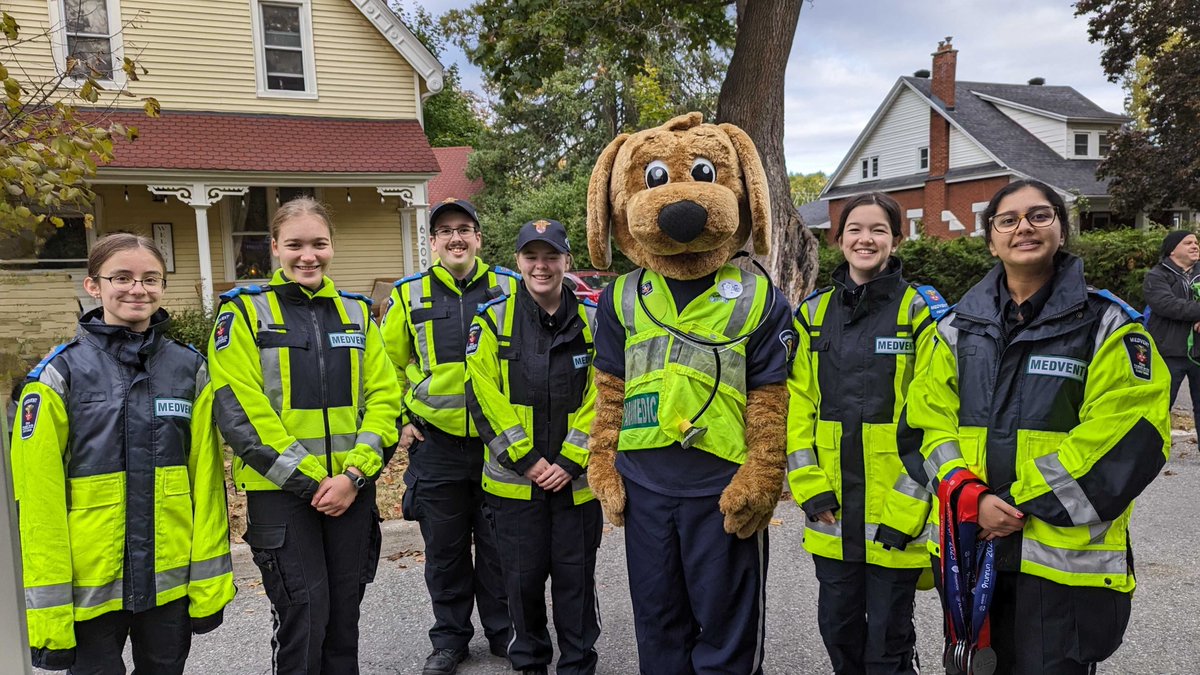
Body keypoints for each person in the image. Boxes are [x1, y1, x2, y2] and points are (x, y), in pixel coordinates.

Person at [897, 179, 1170, 673]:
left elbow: (1131, 434)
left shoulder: (1109, 326)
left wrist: (1017, 505)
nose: (1024, 226)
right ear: (991, 239)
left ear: (1062, 230)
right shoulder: (955, 329)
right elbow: (923, 423)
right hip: (970, 554)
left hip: (1059, 571)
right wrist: (973, 500)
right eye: (1008, 219)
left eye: (1040, 215)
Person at [13, 233, 235, 673]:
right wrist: (50, 619)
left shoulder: (190, 369)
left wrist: (208, 587)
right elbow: (38, 507)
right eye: (122, 277)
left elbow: (207, 485)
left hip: (167, 586)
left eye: (151, 278)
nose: (138, 288)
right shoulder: (57, 376)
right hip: (89, 592)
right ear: (93, 286)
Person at [209, 197, 400, 674]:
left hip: (351, 490)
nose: (307, 255)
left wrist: (353, 475)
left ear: (332, 246)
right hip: (284, 495)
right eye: (294, 244)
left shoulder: (357, 314)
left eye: (319, 243)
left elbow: (384, 402)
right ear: (275, 247)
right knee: (304, 615)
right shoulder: (244, 315)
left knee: (343, 619)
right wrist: (317, 481)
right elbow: (242, 417)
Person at [787, 193, 942, 674]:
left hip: (898, 515)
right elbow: (798, 409)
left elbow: (935, 418)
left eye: (879, 229)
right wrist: (810, 489)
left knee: (888, 644)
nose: (866, 239)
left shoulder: (921, 312)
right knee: (838, 632)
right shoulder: (812, 314)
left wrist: (911, 508)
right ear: (838, 238)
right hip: (831, 515)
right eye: (855, 228)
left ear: (897, 240)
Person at [380, 198, 515, 675]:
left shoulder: (508, 288)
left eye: (464, 229)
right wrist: (401, 417)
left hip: (500, 444)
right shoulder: (407, 295)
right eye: (445, 231)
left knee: (500, 544)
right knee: (444, 549)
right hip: (436, 445)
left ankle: (504, 632)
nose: (455, 238)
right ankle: (451, 638)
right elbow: (385, 366)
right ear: (432, 242)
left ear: (479, 237)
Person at [464, 219, 603, 675]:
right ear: (518, 262)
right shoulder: (491, 319)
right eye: (531, 257)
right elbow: (483, 394)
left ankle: (579, 664)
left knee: (576, 583)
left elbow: (605, 393)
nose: (541, 266)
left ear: (567, 261)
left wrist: (569, 459)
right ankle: (529, 664)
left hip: (575, 485)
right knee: (520, 585)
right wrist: (527, 461)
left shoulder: (592, 322)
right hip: (514, 489)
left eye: (551, 256)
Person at [1144, 229, 1200, 442]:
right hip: (1168, 352)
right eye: (1188, 243)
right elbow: (1167, 305)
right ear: (1172, 250)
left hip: (1199, 354)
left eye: (1196, 242)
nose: (1195, 246)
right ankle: (1149, 451)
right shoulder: (1156, 276)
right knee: (1160, 405)